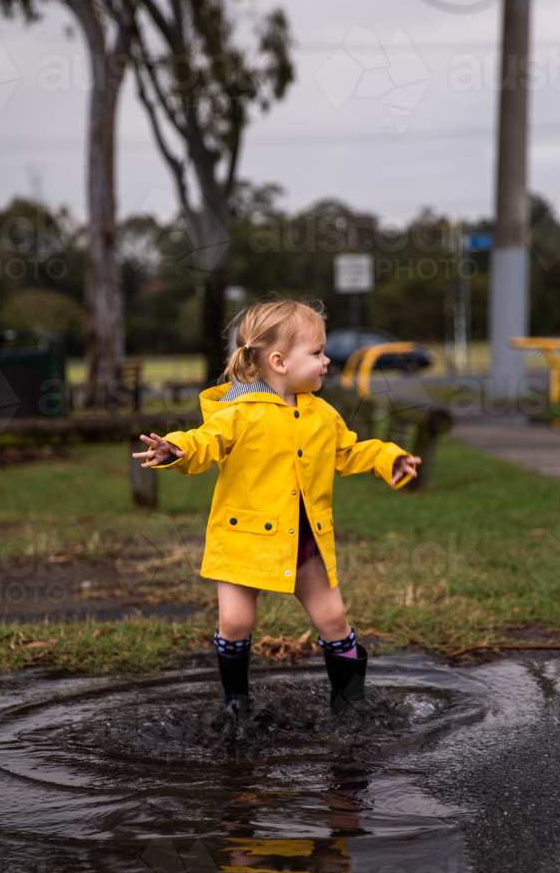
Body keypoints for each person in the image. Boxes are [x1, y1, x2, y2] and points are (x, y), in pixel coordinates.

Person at [133, 298, 421, 722]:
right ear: (279, 361)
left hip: (303, 541)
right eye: (317, 352)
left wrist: (386, 458)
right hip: (243, 541)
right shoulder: (237, 414)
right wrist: (176, 448)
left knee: (333, 616)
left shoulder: (322, 414)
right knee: (235, 621)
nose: (327, 361)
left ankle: (350, 702)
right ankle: (235, 704)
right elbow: (204, 442)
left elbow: (348, 450)